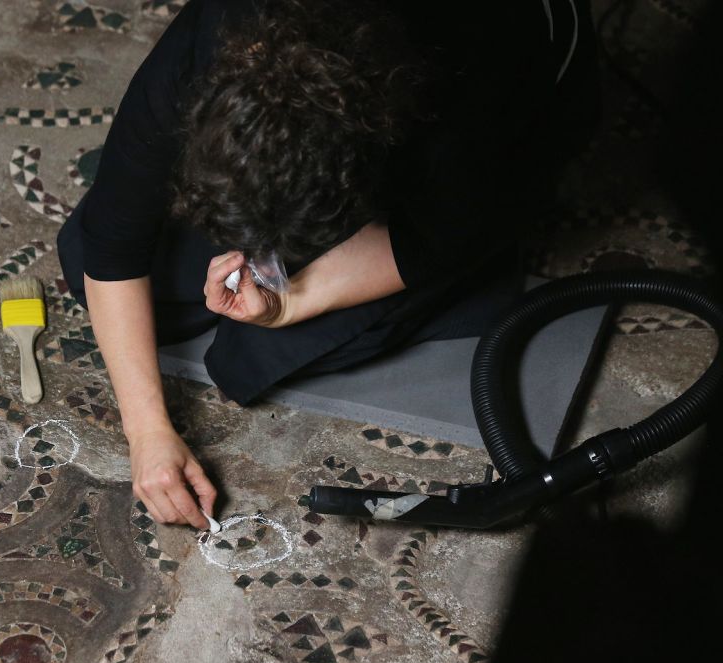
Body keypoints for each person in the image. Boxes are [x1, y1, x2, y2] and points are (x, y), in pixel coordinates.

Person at [56, 0, 599, 529]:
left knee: (261, 352)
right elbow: (112, 245)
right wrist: (148, 433)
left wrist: (291, 303)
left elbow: (428, 241)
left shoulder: (471, 93)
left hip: (513, 114)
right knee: (90, 259)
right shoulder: (210, 39)